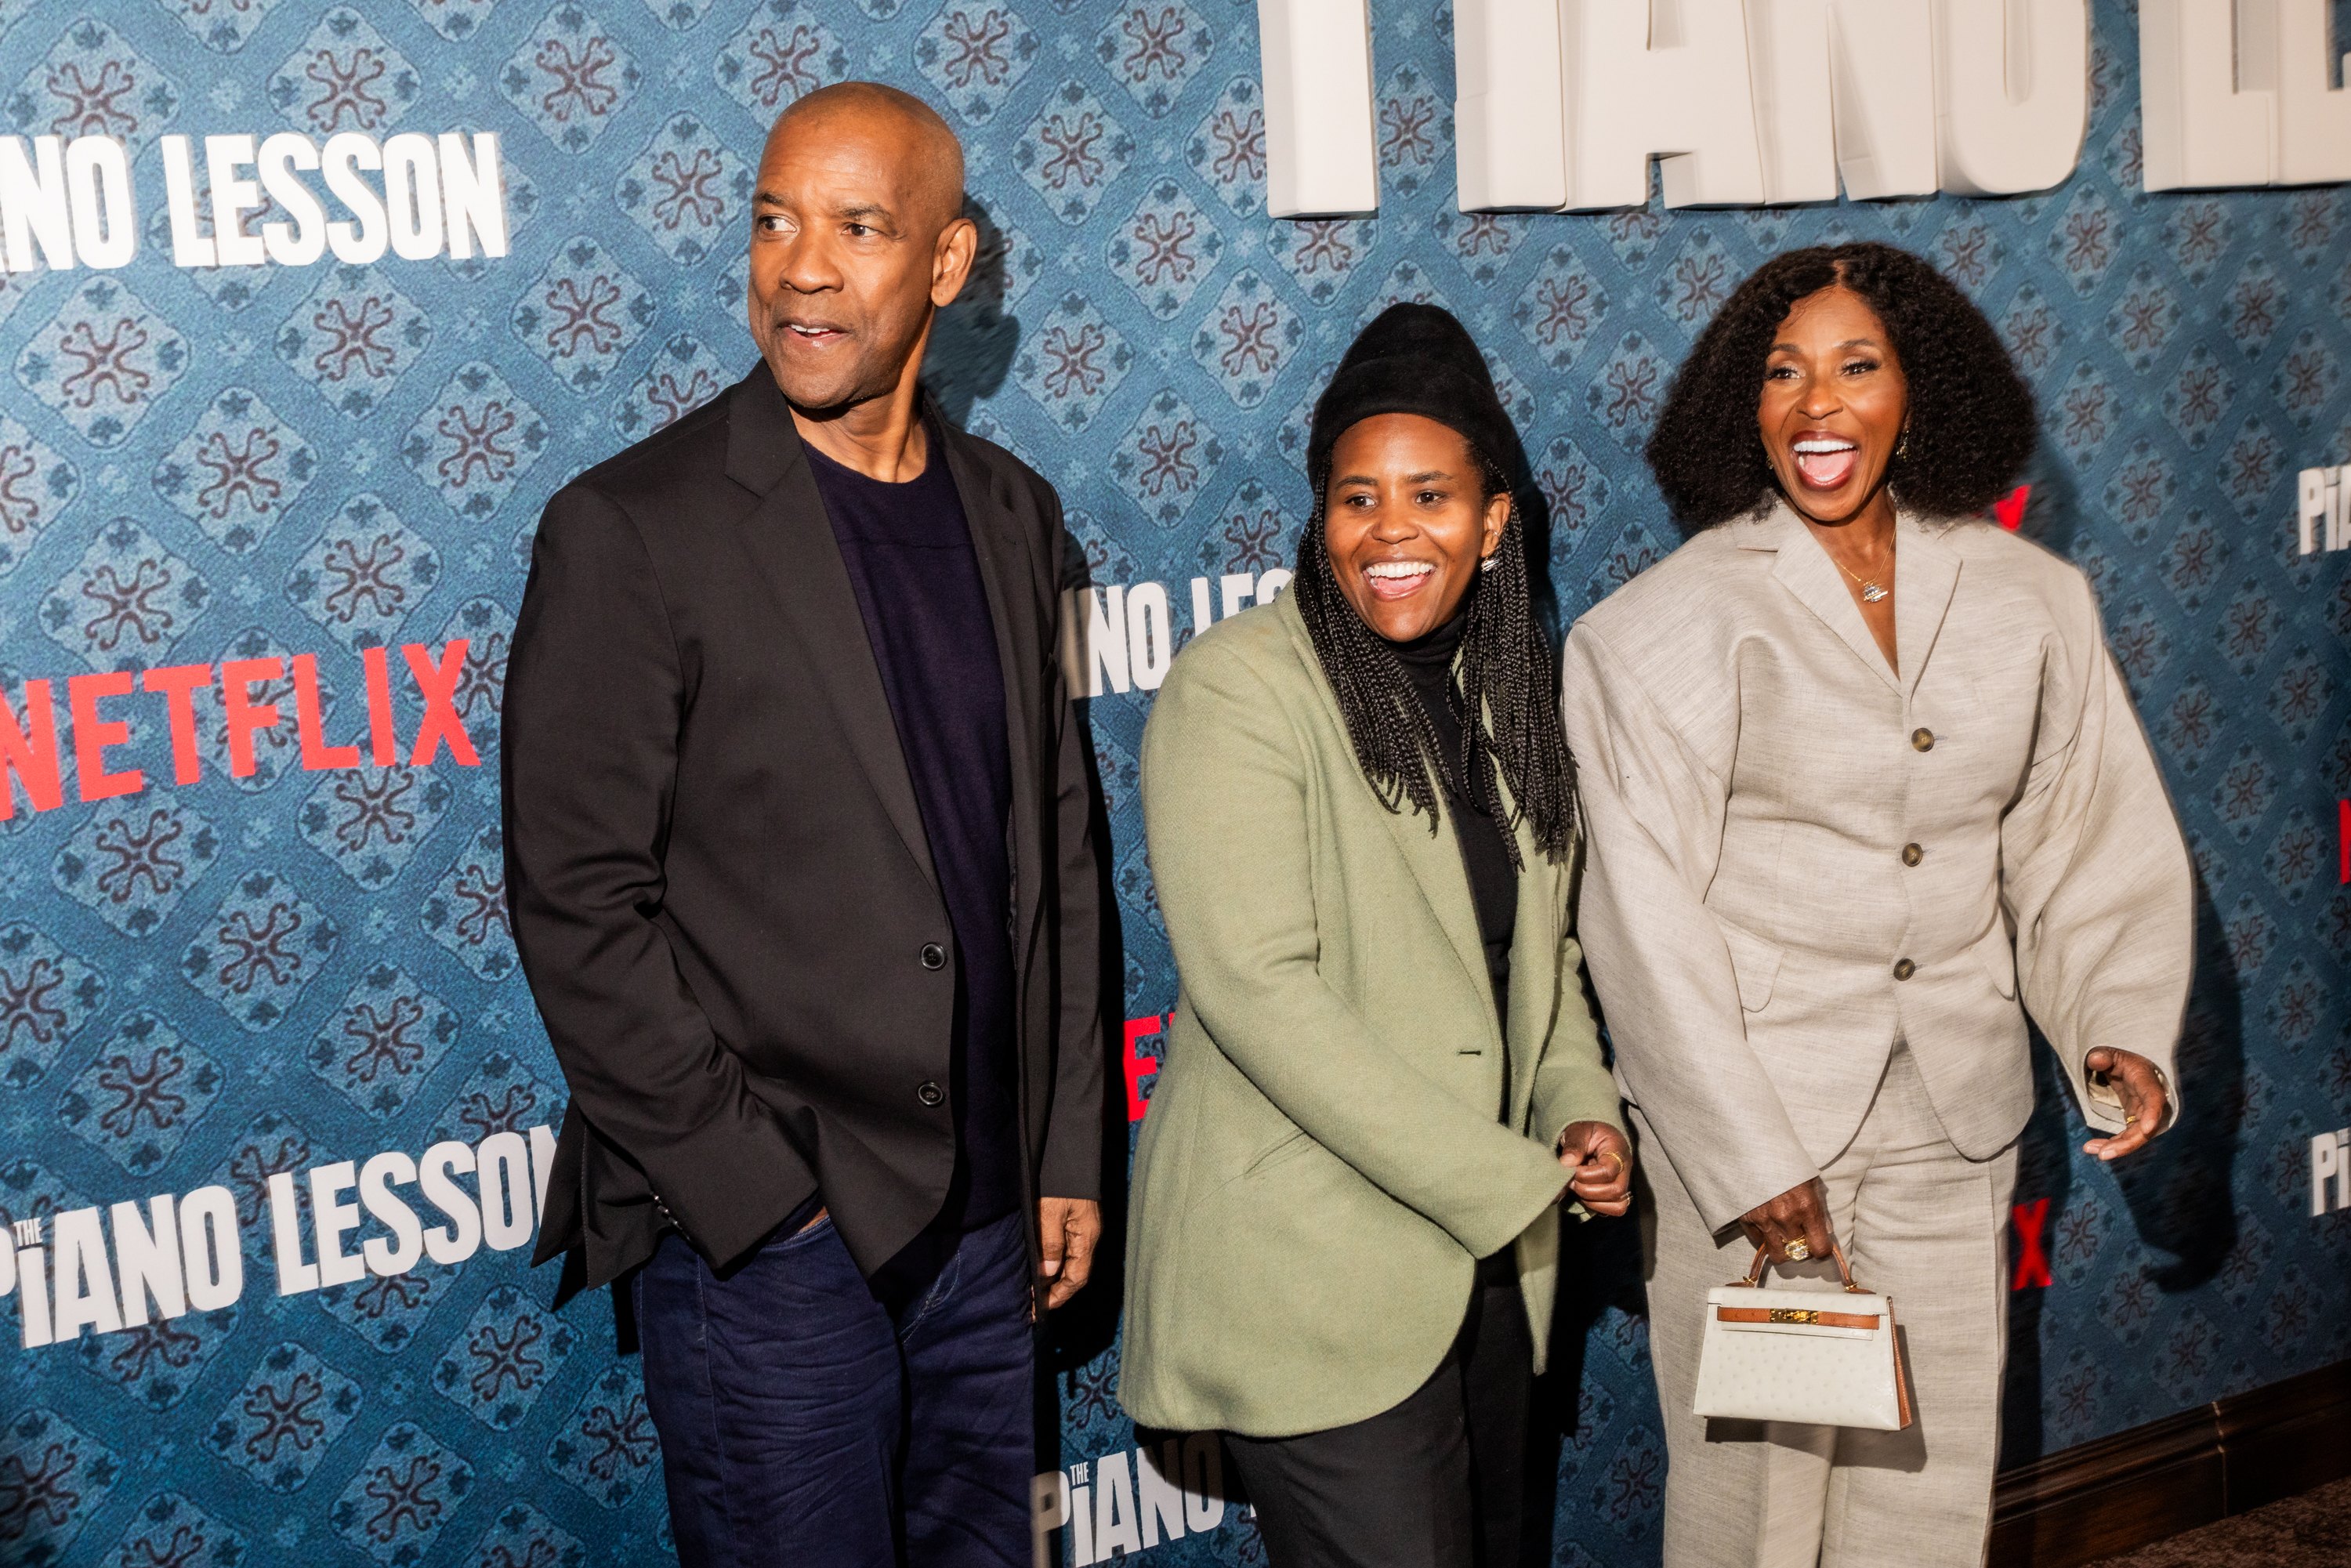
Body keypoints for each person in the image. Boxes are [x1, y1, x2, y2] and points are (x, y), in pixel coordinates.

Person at [502, 82, 1103, 1568]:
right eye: (774, 221)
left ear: (949, 266)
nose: (803, 266)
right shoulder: (635, 527)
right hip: (777, 1244)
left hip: (987, 1226)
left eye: (857, 226)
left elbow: (1059, 861)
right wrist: (761, 1202)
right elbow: (576, 901)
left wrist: (1066, 1146)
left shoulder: (1017, 517)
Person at [1560, 242, 2191, 1568]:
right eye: (1782, 373)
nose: (1817, 406)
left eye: (1857, 366)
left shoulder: (2034, 600)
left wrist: (2115, 1019)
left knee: (1926, 1491)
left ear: (1922, 390)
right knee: (1756, 1514)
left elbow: (2077, 833)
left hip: (1952, 1127)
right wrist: (1748, 1159)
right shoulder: (1660, 629)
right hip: (1761, 1135)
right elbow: (1639, 917)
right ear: (1744, 403)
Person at [1120, 304, 1634, 1568]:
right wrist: (1513, 1181)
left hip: (1490, 1273)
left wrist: (1581, 1107)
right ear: (1321, 518)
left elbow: (1542, 959)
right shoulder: (1241, 685)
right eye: (1357, 499)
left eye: (1430, 495)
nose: (1391, 531)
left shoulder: (1508, 690)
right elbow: (1256, 990)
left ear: (1493, 519)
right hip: (1320, 1266)